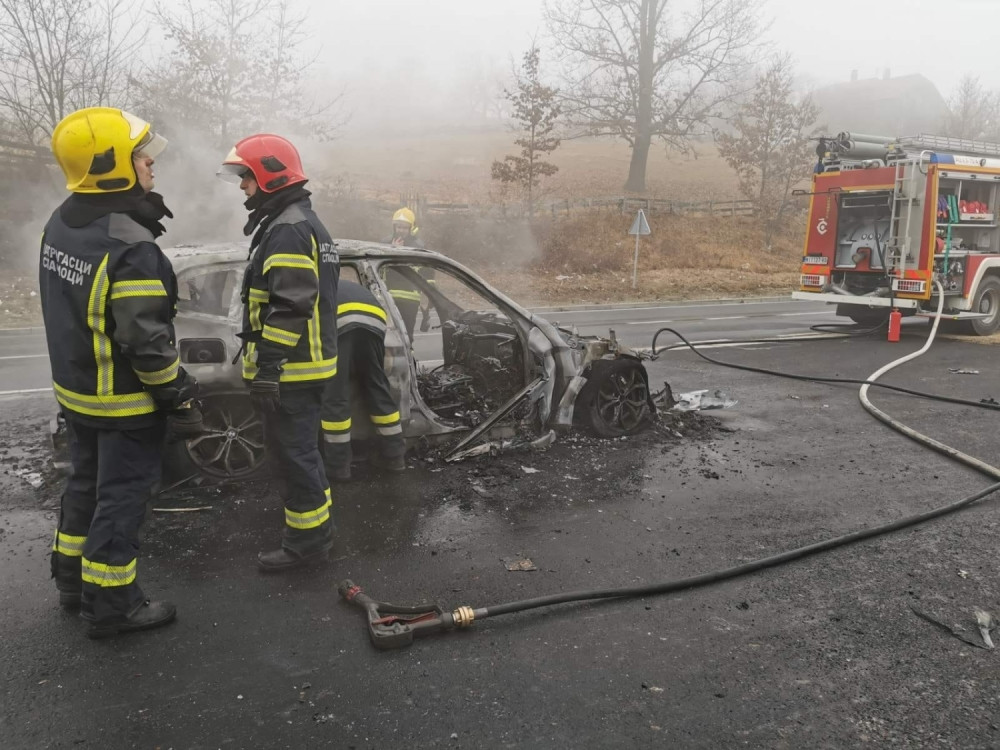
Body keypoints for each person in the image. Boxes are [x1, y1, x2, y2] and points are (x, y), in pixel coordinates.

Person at [43, 107, 201, 638]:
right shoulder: (130, 245)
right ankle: (112, 607)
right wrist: (178, 394)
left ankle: (71, 581)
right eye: (140, 154)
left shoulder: (63, 221)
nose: (151, 160)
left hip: (78, 392)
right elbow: (146, 342)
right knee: (123, 496)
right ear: (111, 167)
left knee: (84, 484)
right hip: (124, 403)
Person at [218, 134, 339, 572]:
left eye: (246, 176)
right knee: (303, 455)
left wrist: (268, 368)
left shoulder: (288, 228)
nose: (242, 186)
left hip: (293, 372)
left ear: (269, 175)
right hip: (304, 369)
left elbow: (291, 306)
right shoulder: (299, 220)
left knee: (295, 457)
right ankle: (315, 536)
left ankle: (306, 547)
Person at [321, 280, 406, 481]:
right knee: (376, 385)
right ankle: (395, 457)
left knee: (336, 393)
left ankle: (338, 466)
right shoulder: (341, 284)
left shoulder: (310, 287)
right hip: (374, 319)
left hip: (340, 322)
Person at [381, 207, 436, 337]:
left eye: (404, 227)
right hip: (388, 297)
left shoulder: (418, 247)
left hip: (410, 300)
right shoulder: (385, 243)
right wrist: (391, 250)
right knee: (388, 335)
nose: (401, 230)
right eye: (398, 227)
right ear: (394, 227)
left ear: (411, 228)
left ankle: (408, 356)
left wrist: (427, 307)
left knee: (406, 335)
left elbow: (428, 275)